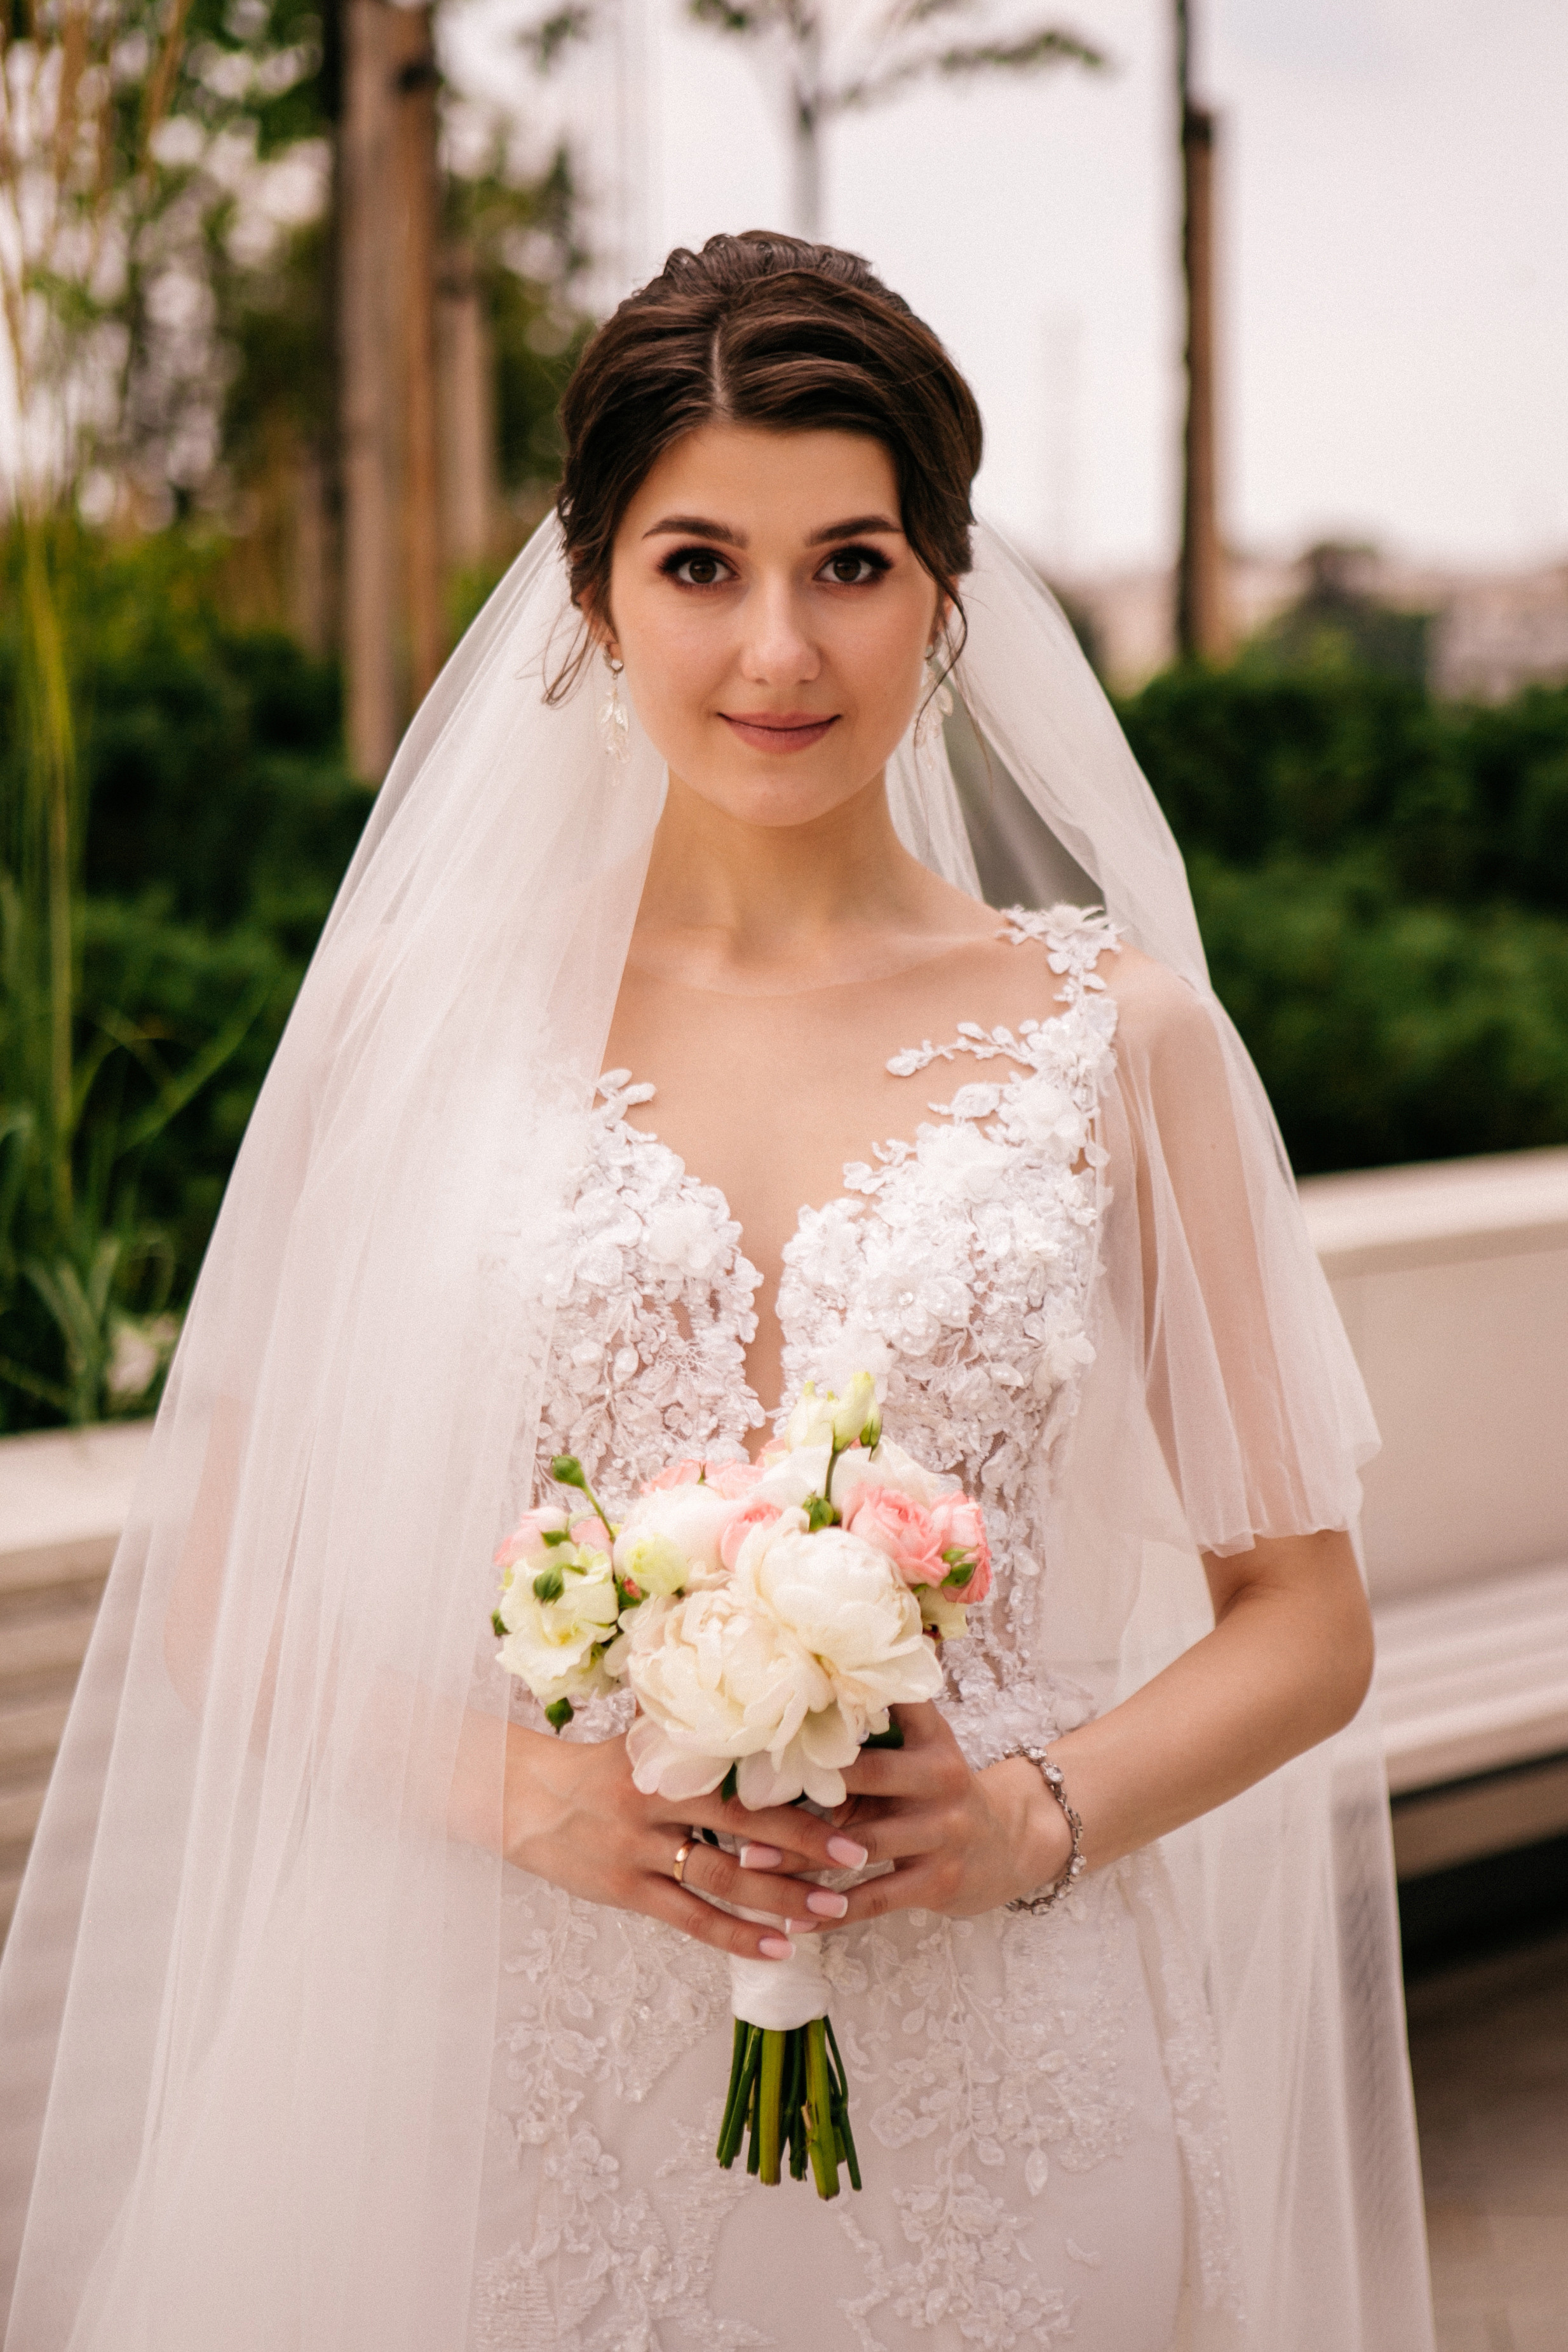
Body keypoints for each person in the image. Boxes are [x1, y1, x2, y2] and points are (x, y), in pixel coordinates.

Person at [0, 233, 1435, 2352]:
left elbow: (1303, 1626)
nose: (779, 647)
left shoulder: (1115, 1045)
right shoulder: (424, 1017)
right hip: (492, 2035)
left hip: (1006, 2068)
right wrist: (545, 1799)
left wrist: (1024, 1821)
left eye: (850, 561)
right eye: (698, 565)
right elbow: (222, 1581)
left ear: (945, 590)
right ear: (587, 599)